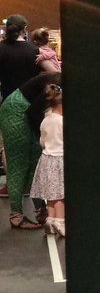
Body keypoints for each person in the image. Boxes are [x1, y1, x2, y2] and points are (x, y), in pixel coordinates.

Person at [0, 69, 61, 229]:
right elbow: (34, 112)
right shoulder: (60, 83)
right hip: (15, 111)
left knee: (35, 162)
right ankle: (16, 215)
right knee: (19, 164)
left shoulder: (61, 80)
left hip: (24, 110)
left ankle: (41, 211)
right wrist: (43, 136)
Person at [29, 82, 64, 237]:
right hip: (59, 160)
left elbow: (42, 142)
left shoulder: (46, 120)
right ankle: (60, 221)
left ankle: (50, 220)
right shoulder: (63, 122)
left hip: (46, 159)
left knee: (50, 193)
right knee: (61, 194)